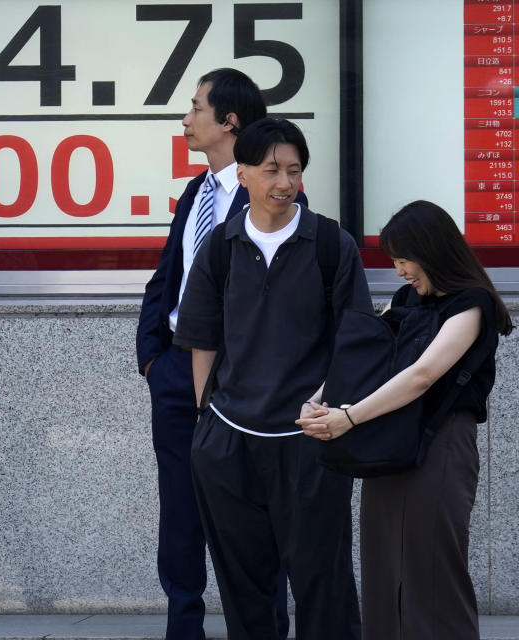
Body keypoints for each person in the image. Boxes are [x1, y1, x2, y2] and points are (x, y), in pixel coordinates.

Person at [173, 118, 370, 640]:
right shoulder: (219, 246)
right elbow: (202, 339)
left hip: (309, 440)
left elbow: (353, 343)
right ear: (242, 175)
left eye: (294, 170)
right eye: (271, 170)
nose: (284, 182)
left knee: (324, 586)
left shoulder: (331, 244)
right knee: (245, 592)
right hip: (229, 442)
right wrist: (205, 424)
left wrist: (328, 410)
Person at [298, 200, 512, 640]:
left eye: (402, 259)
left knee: (431, 569)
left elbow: (421, 375)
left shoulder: (472, 305)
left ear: (431, 251)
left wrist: (349, 418)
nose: (398, 271)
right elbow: (370, 364)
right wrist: (319, 399)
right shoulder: (406, 299)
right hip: (391, 441)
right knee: (382, 566)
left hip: (444, 444)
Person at [136, 68, 301, 639]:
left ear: (229, 120)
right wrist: (153, 356)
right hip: (178, 370)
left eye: (196, 107)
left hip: (243, 376)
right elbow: (167, 277)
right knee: (179, 514)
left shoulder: (271, 194)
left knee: (253, 515)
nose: (186, 118)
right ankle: (183, 628)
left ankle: (261, 629)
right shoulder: (195, 191)